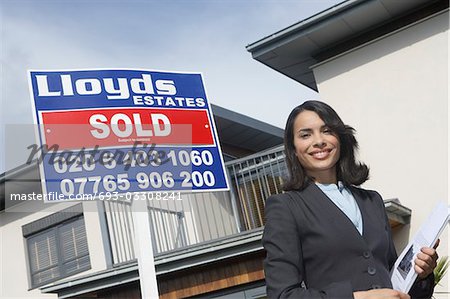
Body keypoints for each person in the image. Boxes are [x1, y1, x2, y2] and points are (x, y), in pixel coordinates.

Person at [263, 100, 438, 299]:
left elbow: (394, 282)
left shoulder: (372, 201)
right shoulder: (286, 207)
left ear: (340, 138)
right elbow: (282, 295)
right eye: (305, 135)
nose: (319, 140)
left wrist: (421, 273)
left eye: (327, 130)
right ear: (293, 148)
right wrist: (358, 297)